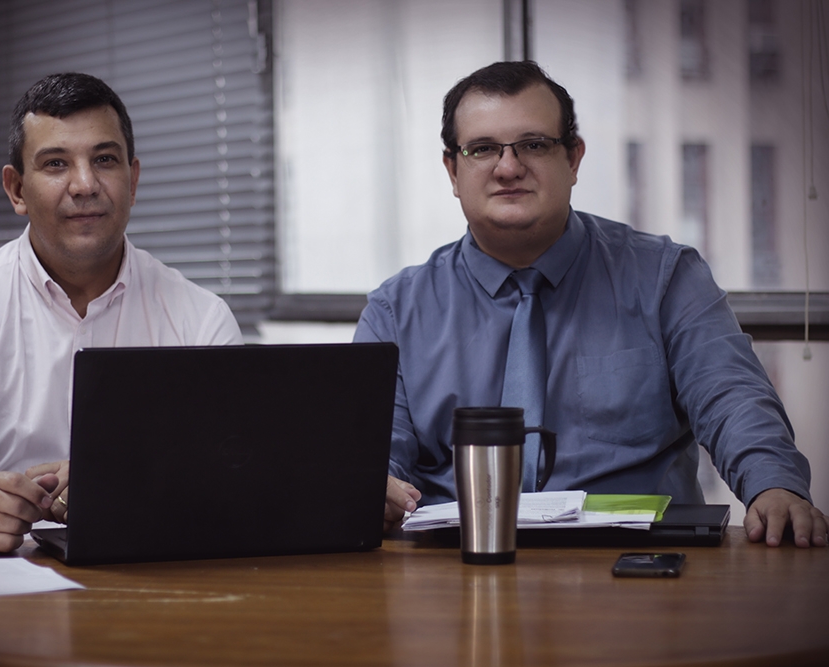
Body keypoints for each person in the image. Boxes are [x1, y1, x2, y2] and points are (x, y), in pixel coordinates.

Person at [354, 61, 827, 548]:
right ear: (453, 169)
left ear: (574, 159)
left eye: (534, 145)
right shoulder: (395, 312)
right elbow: (369, 454)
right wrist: (371, 488)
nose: (509, 167)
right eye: (482, 149)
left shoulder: (665, 278)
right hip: (456, 570)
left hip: (634, 572)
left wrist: (774, 485)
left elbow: (731, 398)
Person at [0, 73, 243, 558]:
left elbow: (228, 473)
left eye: (104, 160)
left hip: (144, 586)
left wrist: (124, 476)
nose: (85, 184)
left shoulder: (202, 319)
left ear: (133, 180)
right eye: (56, 164)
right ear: (16, 190)